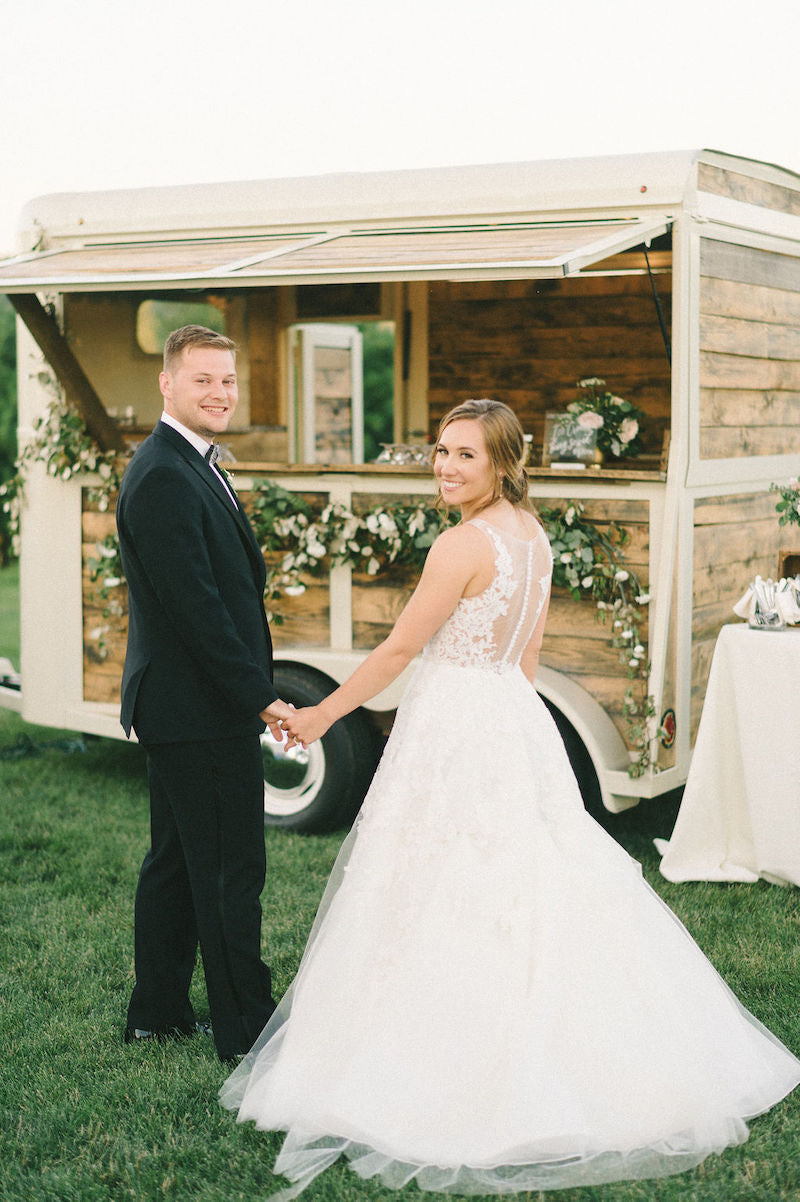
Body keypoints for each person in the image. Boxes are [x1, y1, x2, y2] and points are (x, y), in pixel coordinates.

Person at [220, 399, 800, 1196]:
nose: (446, 467)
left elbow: (398, 650)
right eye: (440, 451)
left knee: (435, 876)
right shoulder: (532, 537)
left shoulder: (461, 545)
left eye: (465, 455)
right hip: (506, 715)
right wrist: (508, 730)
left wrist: (320, 713)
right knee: (525, 873)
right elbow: (525, 657)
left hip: (461, 720)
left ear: (502, 463)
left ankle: (446, 1058)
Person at [117, 325, 294, 1062]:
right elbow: (198, 614)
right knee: (228, 869)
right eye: (203, 380)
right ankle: (246, 1030)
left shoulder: (194, 462)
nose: (220, 393)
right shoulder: (162, 473)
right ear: (167, 384)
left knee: (177, 864)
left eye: (227, 380)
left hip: (182, 705)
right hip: (195, 709)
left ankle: (156, 1011)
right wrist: (264, 697)